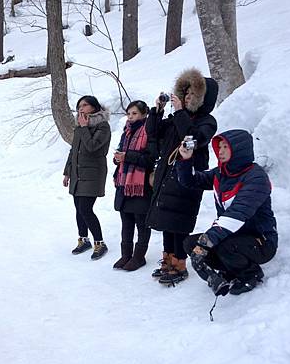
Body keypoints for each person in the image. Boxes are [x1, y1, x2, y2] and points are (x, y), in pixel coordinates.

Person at [177, 129, 278, 296]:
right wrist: (186, 160)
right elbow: (191, 180)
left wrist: (206, 243)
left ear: (239, 149)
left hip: (261, 241)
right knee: (190, 243)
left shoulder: (256, 178)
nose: (220, 151)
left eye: (225, 147)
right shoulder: (222, 173)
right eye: (219, 147)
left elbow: (236, 214)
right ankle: (229, 269)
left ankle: (250, 274)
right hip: (232, 236)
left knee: (222, 246)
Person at [145, 68, 218, 285]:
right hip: (167, 175)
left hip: (187, 176)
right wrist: (157, 111)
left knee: (179, 220)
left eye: (190, 95)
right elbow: (154, 133)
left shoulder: (207, 121)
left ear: (201, 98)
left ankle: (180, 263)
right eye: (184, 94)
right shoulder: (177, 117)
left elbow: (195, 138)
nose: (185, 98)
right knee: (165, 218)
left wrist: (179, 113)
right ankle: (168, 259)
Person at [63, 95, 111, 260]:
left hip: (93, 174)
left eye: (84, 105)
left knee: (85, 209)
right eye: (79, 106)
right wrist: (67, 172)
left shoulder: (103, 127)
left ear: (94, 107)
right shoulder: (80, 127)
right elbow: (73, 151)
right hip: (78, 174)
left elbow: (92, 147)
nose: (81, 108)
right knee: (78, 208)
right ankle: (83, 239)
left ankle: (100, 242)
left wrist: (83, 128)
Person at [112, 100, 156, 271]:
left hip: (141, 184)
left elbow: (150, 159)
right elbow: (122, 151)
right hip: (124, 183)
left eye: (135, 114)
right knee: (126, 221)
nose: (131, 117)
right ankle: (125, 255)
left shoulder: (149, 130)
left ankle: (139, 257)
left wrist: (127, 156)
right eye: (129, 114)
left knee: (141, 222)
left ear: (144, 114)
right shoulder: (127, 131)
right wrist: (117, 158)